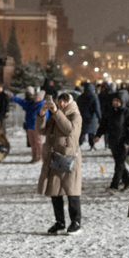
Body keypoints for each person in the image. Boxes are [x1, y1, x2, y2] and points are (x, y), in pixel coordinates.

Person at [36, 93, 83, 234]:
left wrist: (56, 113)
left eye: (64, 101)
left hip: (70, 158)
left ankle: (76, 222)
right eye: (60, 101)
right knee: (55, 191)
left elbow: (70, 130)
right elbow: (41, 130)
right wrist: (42, 114)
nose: (61, 103)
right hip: (55, 158)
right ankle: (60, 222)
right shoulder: (55, 116)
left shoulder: (75, 115)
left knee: (72, 191)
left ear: (70, 102)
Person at [95, 89, 129, 191]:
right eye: (114, 100)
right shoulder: (109, 112)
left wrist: (128, 141)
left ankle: (114, 186)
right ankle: (128, 182)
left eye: (118, 101)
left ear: (122, 101)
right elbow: (104, 125)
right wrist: (98, 135)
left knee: (119, 165)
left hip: (123, 143)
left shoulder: (128, 113)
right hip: (113, 142)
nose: (115, 103)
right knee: (119, 164)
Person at [12, 86, 46, 163]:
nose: (34, 98)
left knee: (38, 143)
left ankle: (40, 157)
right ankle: (34, 157)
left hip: (37, 127)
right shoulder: (31, 104)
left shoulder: (42, 106)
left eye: (36, 97)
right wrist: (13, 97)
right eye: (34, 97)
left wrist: (38, 122)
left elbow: (44, 117)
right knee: (32, 143)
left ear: (40, 98)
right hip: (30, 126)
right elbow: (21, 102)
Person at [76, 82, 102, 150]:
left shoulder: (80, 97)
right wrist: (100, 117)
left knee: (82, 132)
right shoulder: (94, 97)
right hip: (91, 117)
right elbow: (97, 108)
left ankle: (78, 144)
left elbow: (77, 106)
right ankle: (92, 145)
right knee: (91, 133)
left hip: (82, 117)